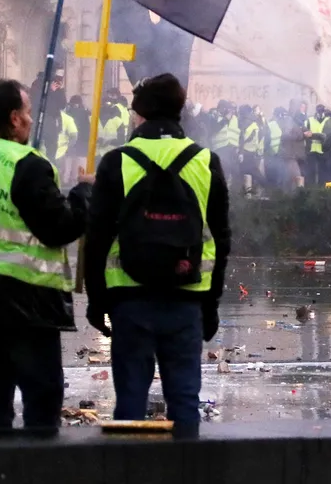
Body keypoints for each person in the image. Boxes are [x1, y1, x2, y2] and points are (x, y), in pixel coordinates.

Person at [83, 73, 231, 433]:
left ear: (138, 114)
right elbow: (222, 238)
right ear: (180, 110)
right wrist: (211, 303)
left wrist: (96, 299)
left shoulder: (117, 161)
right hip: (187, 297)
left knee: (131, 400)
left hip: (130, 297)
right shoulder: (205, 161)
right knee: (184, 400)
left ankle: (129, 472)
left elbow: (98, 236)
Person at [0, 80, 92, 435]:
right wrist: (84, 191)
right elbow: (59, 228)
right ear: (13, 119)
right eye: (25, 112)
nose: (29, 118)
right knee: (42, 393)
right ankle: (38, 468)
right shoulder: (28, 164)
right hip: (25, 298)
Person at [208, 101, 239, 186]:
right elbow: (214, 129)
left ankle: (228, 187)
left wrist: (237, 147)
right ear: (220, 108)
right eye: (225, 108)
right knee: (221, 168)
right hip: (219, 147)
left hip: (230, 146)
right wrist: (225, 119)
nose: (227, 110)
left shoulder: (234, 118)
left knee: (230, 168)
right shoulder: (213, 117)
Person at [238, 105, 264, 196]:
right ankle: (248, 194)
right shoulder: (255, 122)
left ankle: (250, 194)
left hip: (247, 152)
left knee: (251, 172)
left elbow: (243, 139)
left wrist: (241, 152)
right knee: (249, 173)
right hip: (252, 152)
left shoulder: (246, 123)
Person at [304, 105, 331, 187]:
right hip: (311, 150)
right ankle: (310, 190)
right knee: (311, 172)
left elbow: (328, 136)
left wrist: (312, 135)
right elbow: (304, 133)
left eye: (321, 111)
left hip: (323, 150)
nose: (320, 113)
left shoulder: (328, 121)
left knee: (323, 173)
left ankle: (321, 191)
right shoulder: (309, 120)